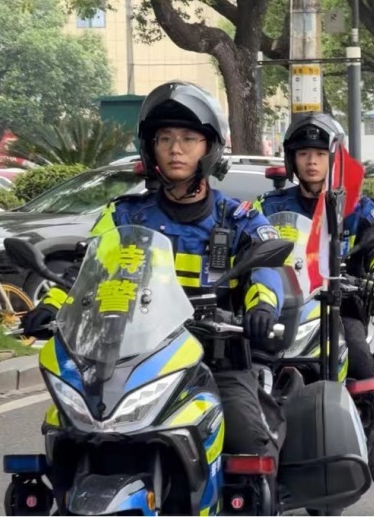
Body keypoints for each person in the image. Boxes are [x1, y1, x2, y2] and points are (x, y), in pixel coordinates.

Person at [21, 81, 287, 486]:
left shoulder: (239, 217)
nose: (176, 149)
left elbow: (266, 268)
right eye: (165, 138)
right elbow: (84, 274)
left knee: (246, 438)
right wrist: (53, 305)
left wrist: (262, 306)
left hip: (214, 355)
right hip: (128, 359)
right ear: (151, 147)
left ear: (208, 148)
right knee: (66, 427)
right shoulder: (123, 215)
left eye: (188, 138)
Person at [253, 111, 374, 487]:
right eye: (303, 153)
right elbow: (248, 243)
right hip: (283, 301)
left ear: (334, 160)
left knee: (358, 354)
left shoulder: (355, 206)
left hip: (338, 301)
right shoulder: (267, 206)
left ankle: (370, 444)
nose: (312, 161)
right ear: (292, 160)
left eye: (320, 153)